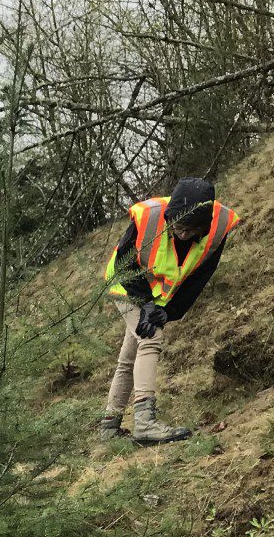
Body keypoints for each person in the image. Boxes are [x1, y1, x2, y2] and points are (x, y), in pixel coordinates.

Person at [99, 177, 239, 444]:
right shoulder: (148, 218)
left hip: (159, 296)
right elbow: (124, 265)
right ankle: (144, 423)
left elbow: (199, 277)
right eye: (178, 226)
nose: (182, 234)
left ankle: (109, 426)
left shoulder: (218, 228)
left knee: (130, 356)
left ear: (203, 225)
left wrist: (171, 311)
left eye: (189, 229)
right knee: (150, 338)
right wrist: (147, 304)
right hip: (127, 286)